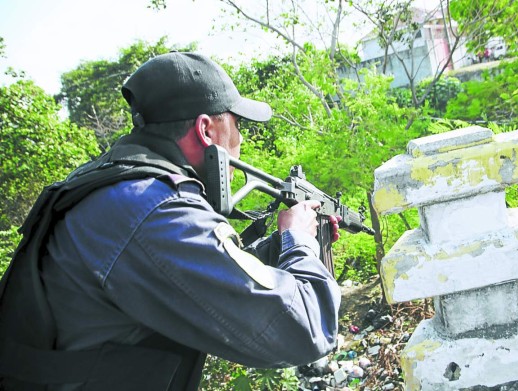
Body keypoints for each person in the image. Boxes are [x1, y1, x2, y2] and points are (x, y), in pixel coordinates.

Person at [0, 52, 341, 391]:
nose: (240, 141)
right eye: (237, 125)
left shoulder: (121, 187)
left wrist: (280, 245)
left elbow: (197, 274)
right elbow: (304, 329)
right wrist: (301, 243)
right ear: (206, 129)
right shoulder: (154, 207)